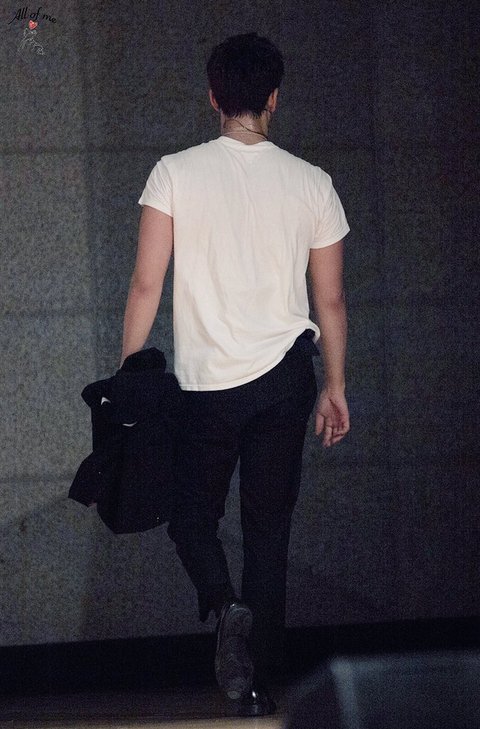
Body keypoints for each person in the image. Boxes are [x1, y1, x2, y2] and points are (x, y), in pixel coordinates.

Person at [120, 32, 350, 717]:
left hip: (205, 387)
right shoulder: (313, 183)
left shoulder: (174, 173)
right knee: (268, 531)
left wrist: (129, 377)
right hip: (285, 379)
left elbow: (145, 285)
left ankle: (225, 607)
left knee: (192, 516)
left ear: (212, 96)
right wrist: (336, 385)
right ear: (274, 98)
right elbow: (331, 300)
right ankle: (258, 687)